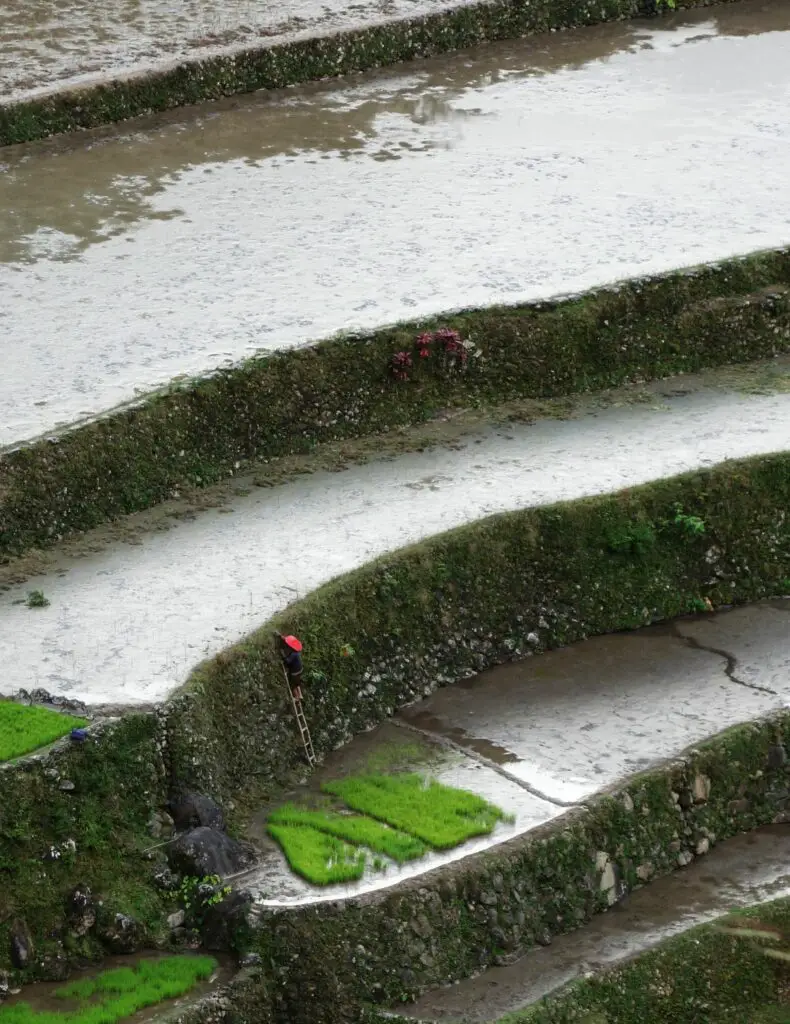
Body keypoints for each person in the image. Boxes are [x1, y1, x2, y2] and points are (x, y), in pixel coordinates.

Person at [276, 632, 304, 700]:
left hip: (295, 671)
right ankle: (300, 695)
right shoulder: (297, 652)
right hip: (300, 669)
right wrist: (280, 635)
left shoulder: (293, 654)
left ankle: (296, 697)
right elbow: (286, 639)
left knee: (293, 685)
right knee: (297, 682)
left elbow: (288, 661)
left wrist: (283, 655)